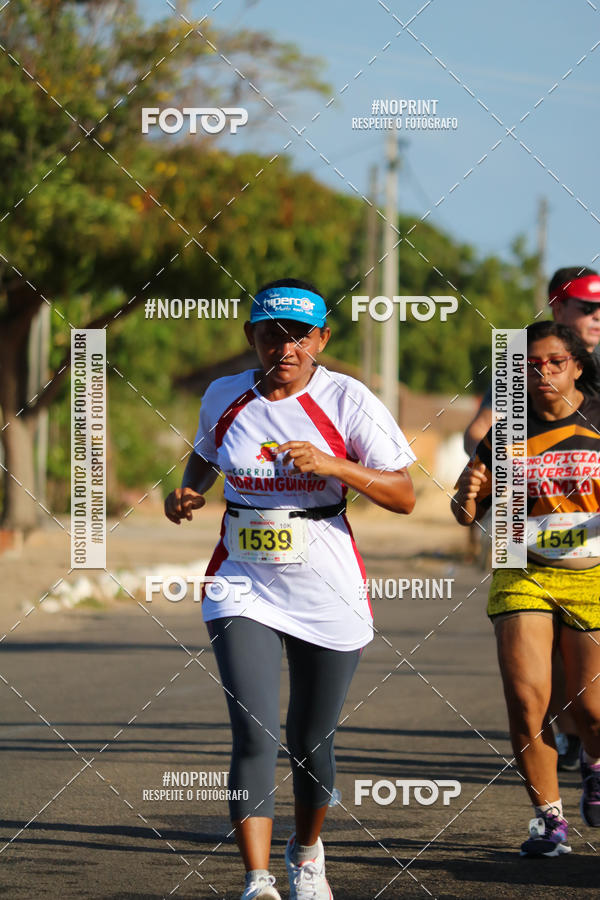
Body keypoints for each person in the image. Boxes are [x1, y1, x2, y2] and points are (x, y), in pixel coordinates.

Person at [164, 278, 416, 899]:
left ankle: (306, 854)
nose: (286, 347)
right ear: (251, 337)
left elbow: (405, 494)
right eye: (272, 334)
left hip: (326, 581)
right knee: (253, 730)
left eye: (301, 335)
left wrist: (335, 466)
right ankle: (256, 881)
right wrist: (191, 488)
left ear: (322, 339)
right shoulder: (224, 395)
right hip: (240, 580)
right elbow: (207, 453)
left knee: (310, 740)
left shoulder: (347, 399)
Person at [452, 321, 600, 857]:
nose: (542, 374)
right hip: (521, 566)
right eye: (530, 365)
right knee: (525, 699)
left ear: (578, 364)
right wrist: (469, 492)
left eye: (554, 362)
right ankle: (548, 819)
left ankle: (593, 761)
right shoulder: (509, 430)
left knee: (592, 713)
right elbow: (467, 514)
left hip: (593, 573)